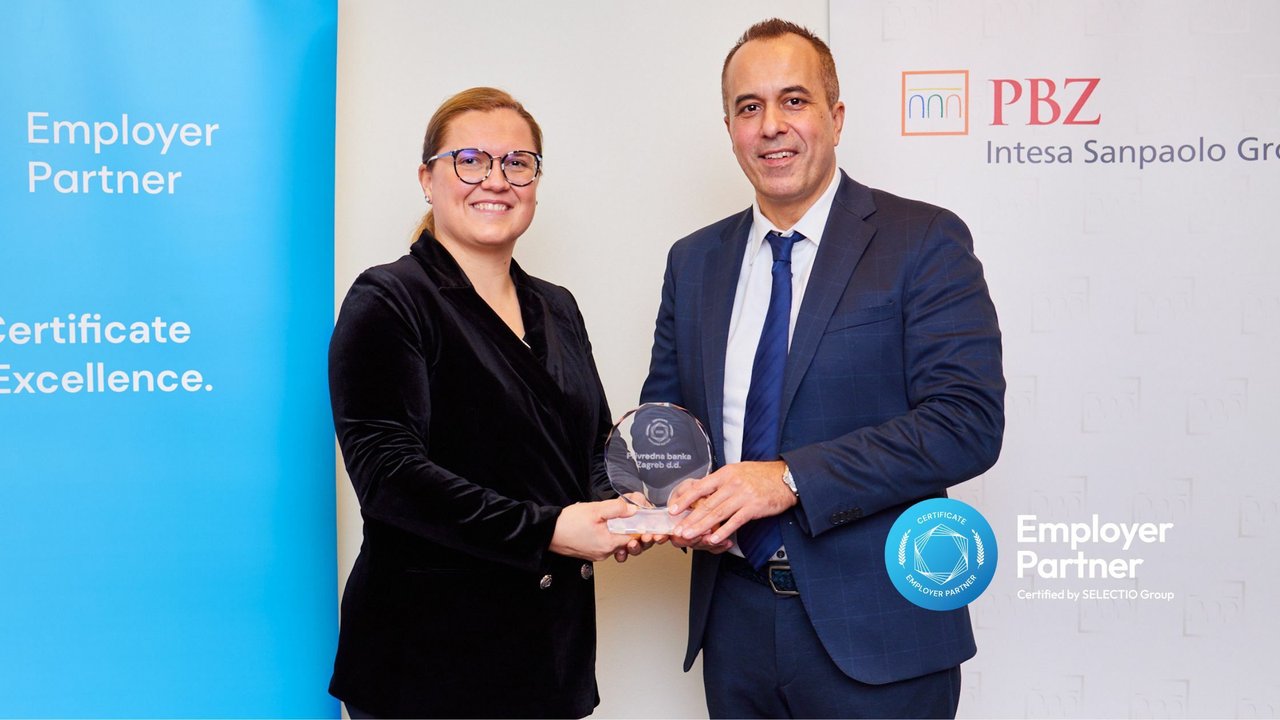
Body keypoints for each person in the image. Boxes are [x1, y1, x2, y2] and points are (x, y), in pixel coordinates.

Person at [640, 19, 1005, 719]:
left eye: (794, 100)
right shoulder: (694, 262)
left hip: (880, 633)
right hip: (734, 626)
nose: (771, 126)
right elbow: (669, 427)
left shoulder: (923, 241)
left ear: (835, 117)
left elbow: (966, 425)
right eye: (749, 107)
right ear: (730, 129)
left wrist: (787, 478)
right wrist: (658, 494)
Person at [328, 87, 643, 719]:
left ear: (535, 183)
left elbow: (591, 448)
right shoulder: (389, 300)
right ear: (428, 179)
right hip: (428, 661)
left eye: (517, 162)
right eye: (469, 160)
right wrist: (550, 529)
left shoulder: (557, 306)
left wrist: (630, 506)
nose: (495, 180)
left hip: (548, 654)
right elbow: (390, 478)